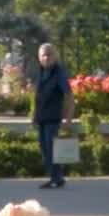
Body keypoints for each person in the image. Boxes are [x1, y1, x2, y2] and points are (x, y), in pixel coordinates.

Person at [32, 43, 74, 189]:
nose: (46, 57)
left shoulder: (59, 73)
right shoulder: (41, 72)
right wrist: (34, 116)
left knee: (52, 149)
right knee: (45, 149)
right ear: (39, 58)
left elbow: (68, 95)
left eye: (49, 54)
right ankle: (56, 177)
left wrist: (68, 118)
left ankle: (56, 178)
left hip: (53, 118)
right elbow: (37, 97)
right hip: (42, 118)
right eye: (43, 55)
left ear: (55, 56)